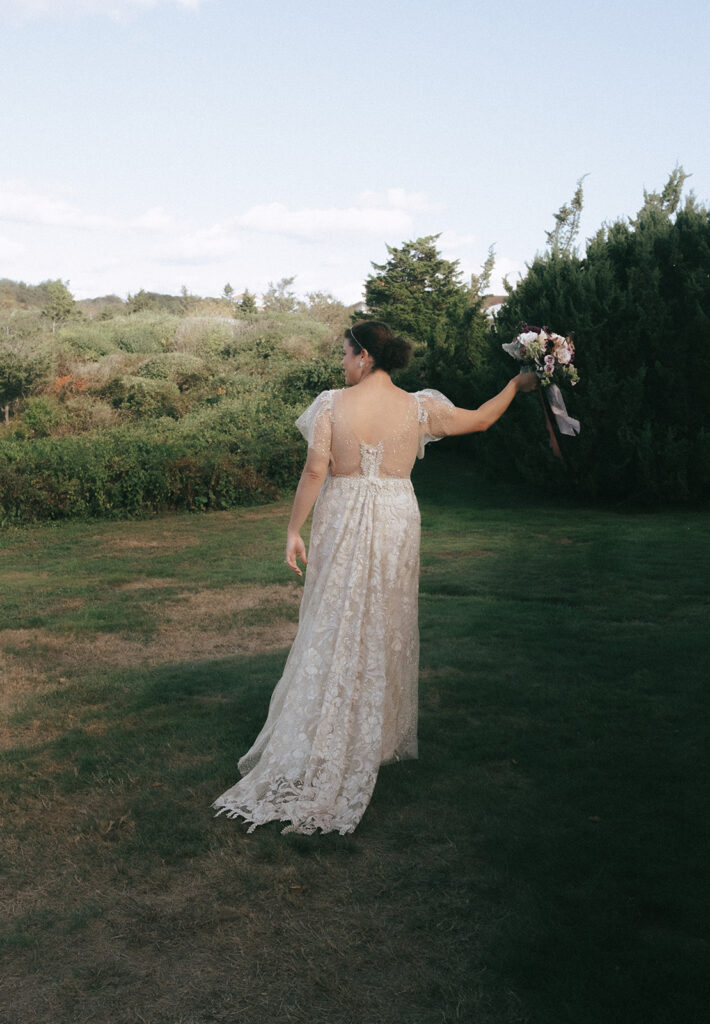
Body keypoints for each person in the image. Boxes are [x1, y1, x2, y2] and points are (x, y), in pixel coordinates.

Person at [212, 321, 537, 835]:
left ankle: (329, 727)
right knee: (383, 619)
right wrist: (516, 387)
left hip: (341, 516)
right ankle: (373, 734)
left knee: (332, 618)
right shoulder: (418, 407)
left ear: (364, 356)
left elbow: (316, 470)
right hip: (394, 517)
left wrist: (293, 529)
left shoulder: (331, 405)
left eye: (345, 354)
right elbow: (478, 421)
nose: (341, 363)